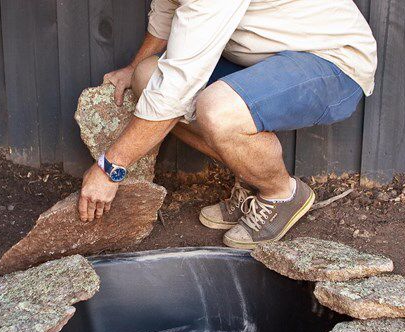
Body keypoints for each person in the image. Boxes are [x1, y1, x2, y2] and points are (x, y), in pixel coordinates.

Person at [79, 0, 377, 250]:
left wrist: (110, 168)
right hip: (267, 57)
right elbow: (166, 12)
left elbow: (175, 91)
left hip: (331, 60)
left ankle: (280, 193)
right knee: (146, 76)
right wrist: (132, 68)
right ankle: (254, 176)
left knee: (217, 110)